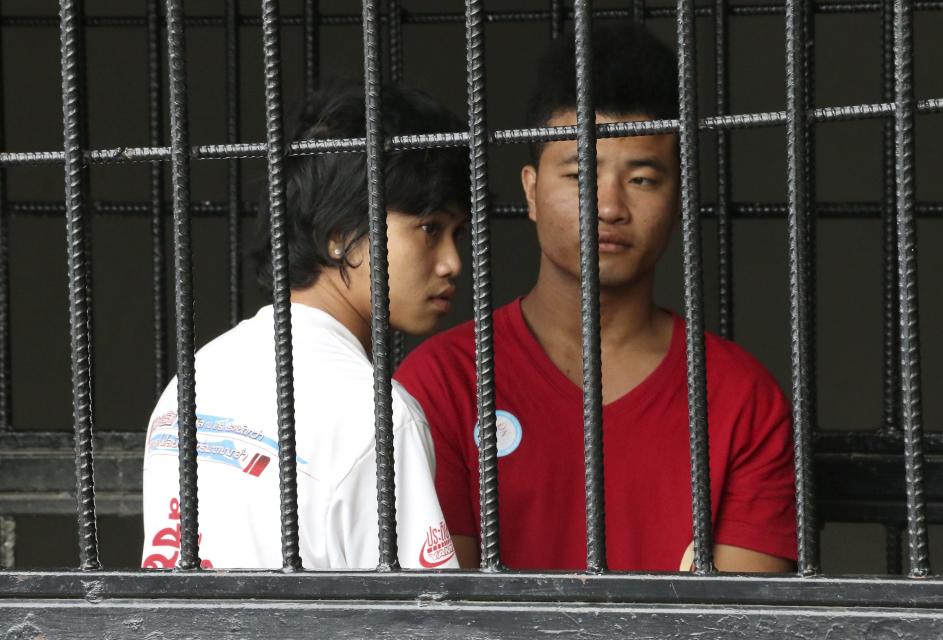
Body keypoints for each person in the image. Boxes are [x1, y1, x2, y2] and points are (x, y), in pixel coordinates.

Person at [394, 25, 797, 572]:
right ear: (532, 191)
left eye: (643, 180)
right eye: (582, 173)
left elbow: (735, 623)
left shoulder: (741, 400)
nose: (609, 206)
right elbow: (448, 614)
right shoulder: (441, 384)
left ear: (677, 197)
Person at [142, 81, 468, 570]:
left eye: (458, 234)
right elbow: (424, 617)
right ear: (339, 237)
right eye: (430, 229)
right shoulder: (380, 415)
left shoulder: (193, 381)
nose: (452, 263)